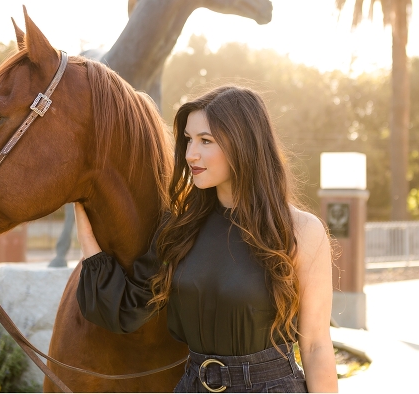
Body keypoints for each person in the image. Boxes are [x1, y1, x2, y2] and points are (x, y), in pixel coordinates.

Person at [75, 85, 338, 393]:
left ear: (243, 144)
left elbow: (317, 344)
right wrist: (87, 237)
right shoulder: (179, 227)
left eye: (205, 141)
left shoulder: (301, 231)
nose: (190, 154)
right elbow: (129, 308)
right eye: (188, 139)